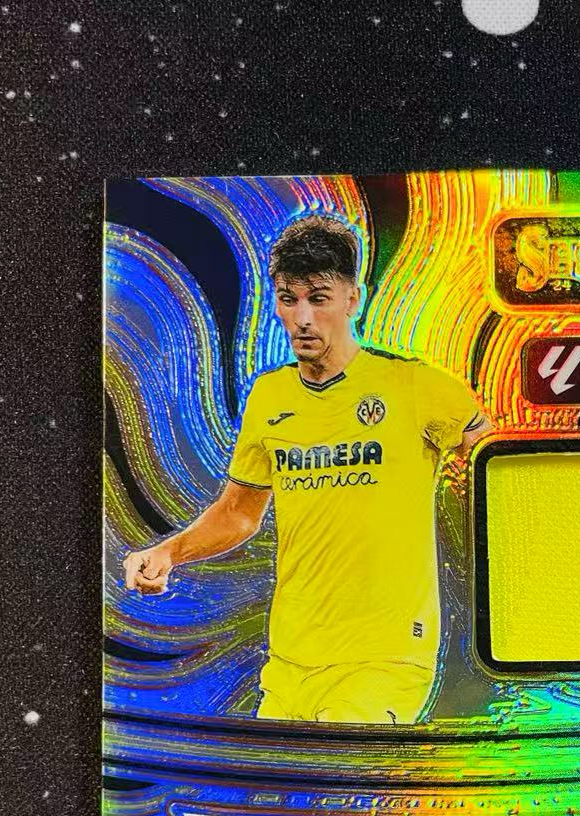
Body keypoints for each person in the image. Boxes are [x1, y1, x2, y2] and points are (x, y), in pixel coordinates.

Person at [123, 214, 490, 725]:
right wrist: (169, 551)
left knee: (337, 769)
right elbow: (239, 514)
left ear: (352, 299)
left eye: (318, 298)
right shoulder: (269, 397)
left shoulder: (416, 387)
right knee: (267, 776)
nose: (302, 318)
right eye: (288, 299)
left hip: (381, 658)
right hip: (291, 661)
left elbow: (498, 471)